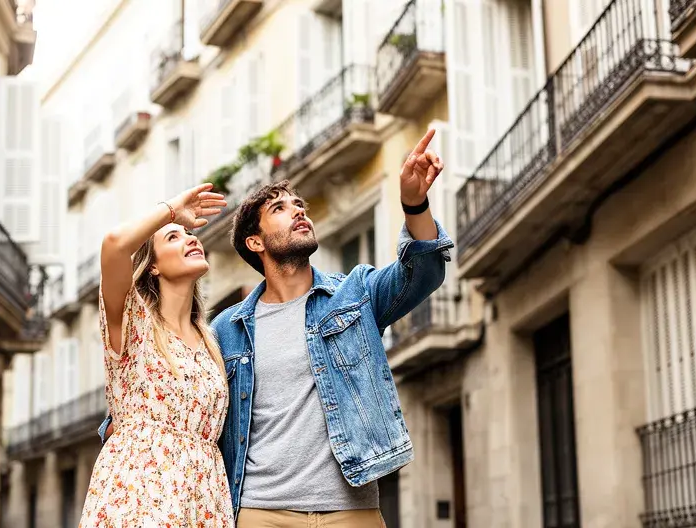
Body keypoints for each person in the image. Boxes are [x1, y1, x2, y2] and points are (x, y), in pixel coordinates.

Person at [101, 128, 453, 527]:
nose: (299, 211)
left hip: (351, 510)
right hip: (259, 511)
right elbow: (170, 388)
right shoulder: (226, 331)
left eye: (299, 204)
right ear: (256, 242)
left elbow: (423, 270)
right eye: (282, 209)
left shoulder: (355, 295)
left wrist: (415, 202)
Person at [77, 183, 234, 527]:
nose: (192, 239)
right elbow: (114, 246)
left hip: (204, 498)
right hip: (139, 496)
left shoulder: (212, 343)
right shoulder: (134, 324)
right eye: (173, 238)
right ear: (153, 267)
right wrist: (172, 210)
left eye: (190, 235)